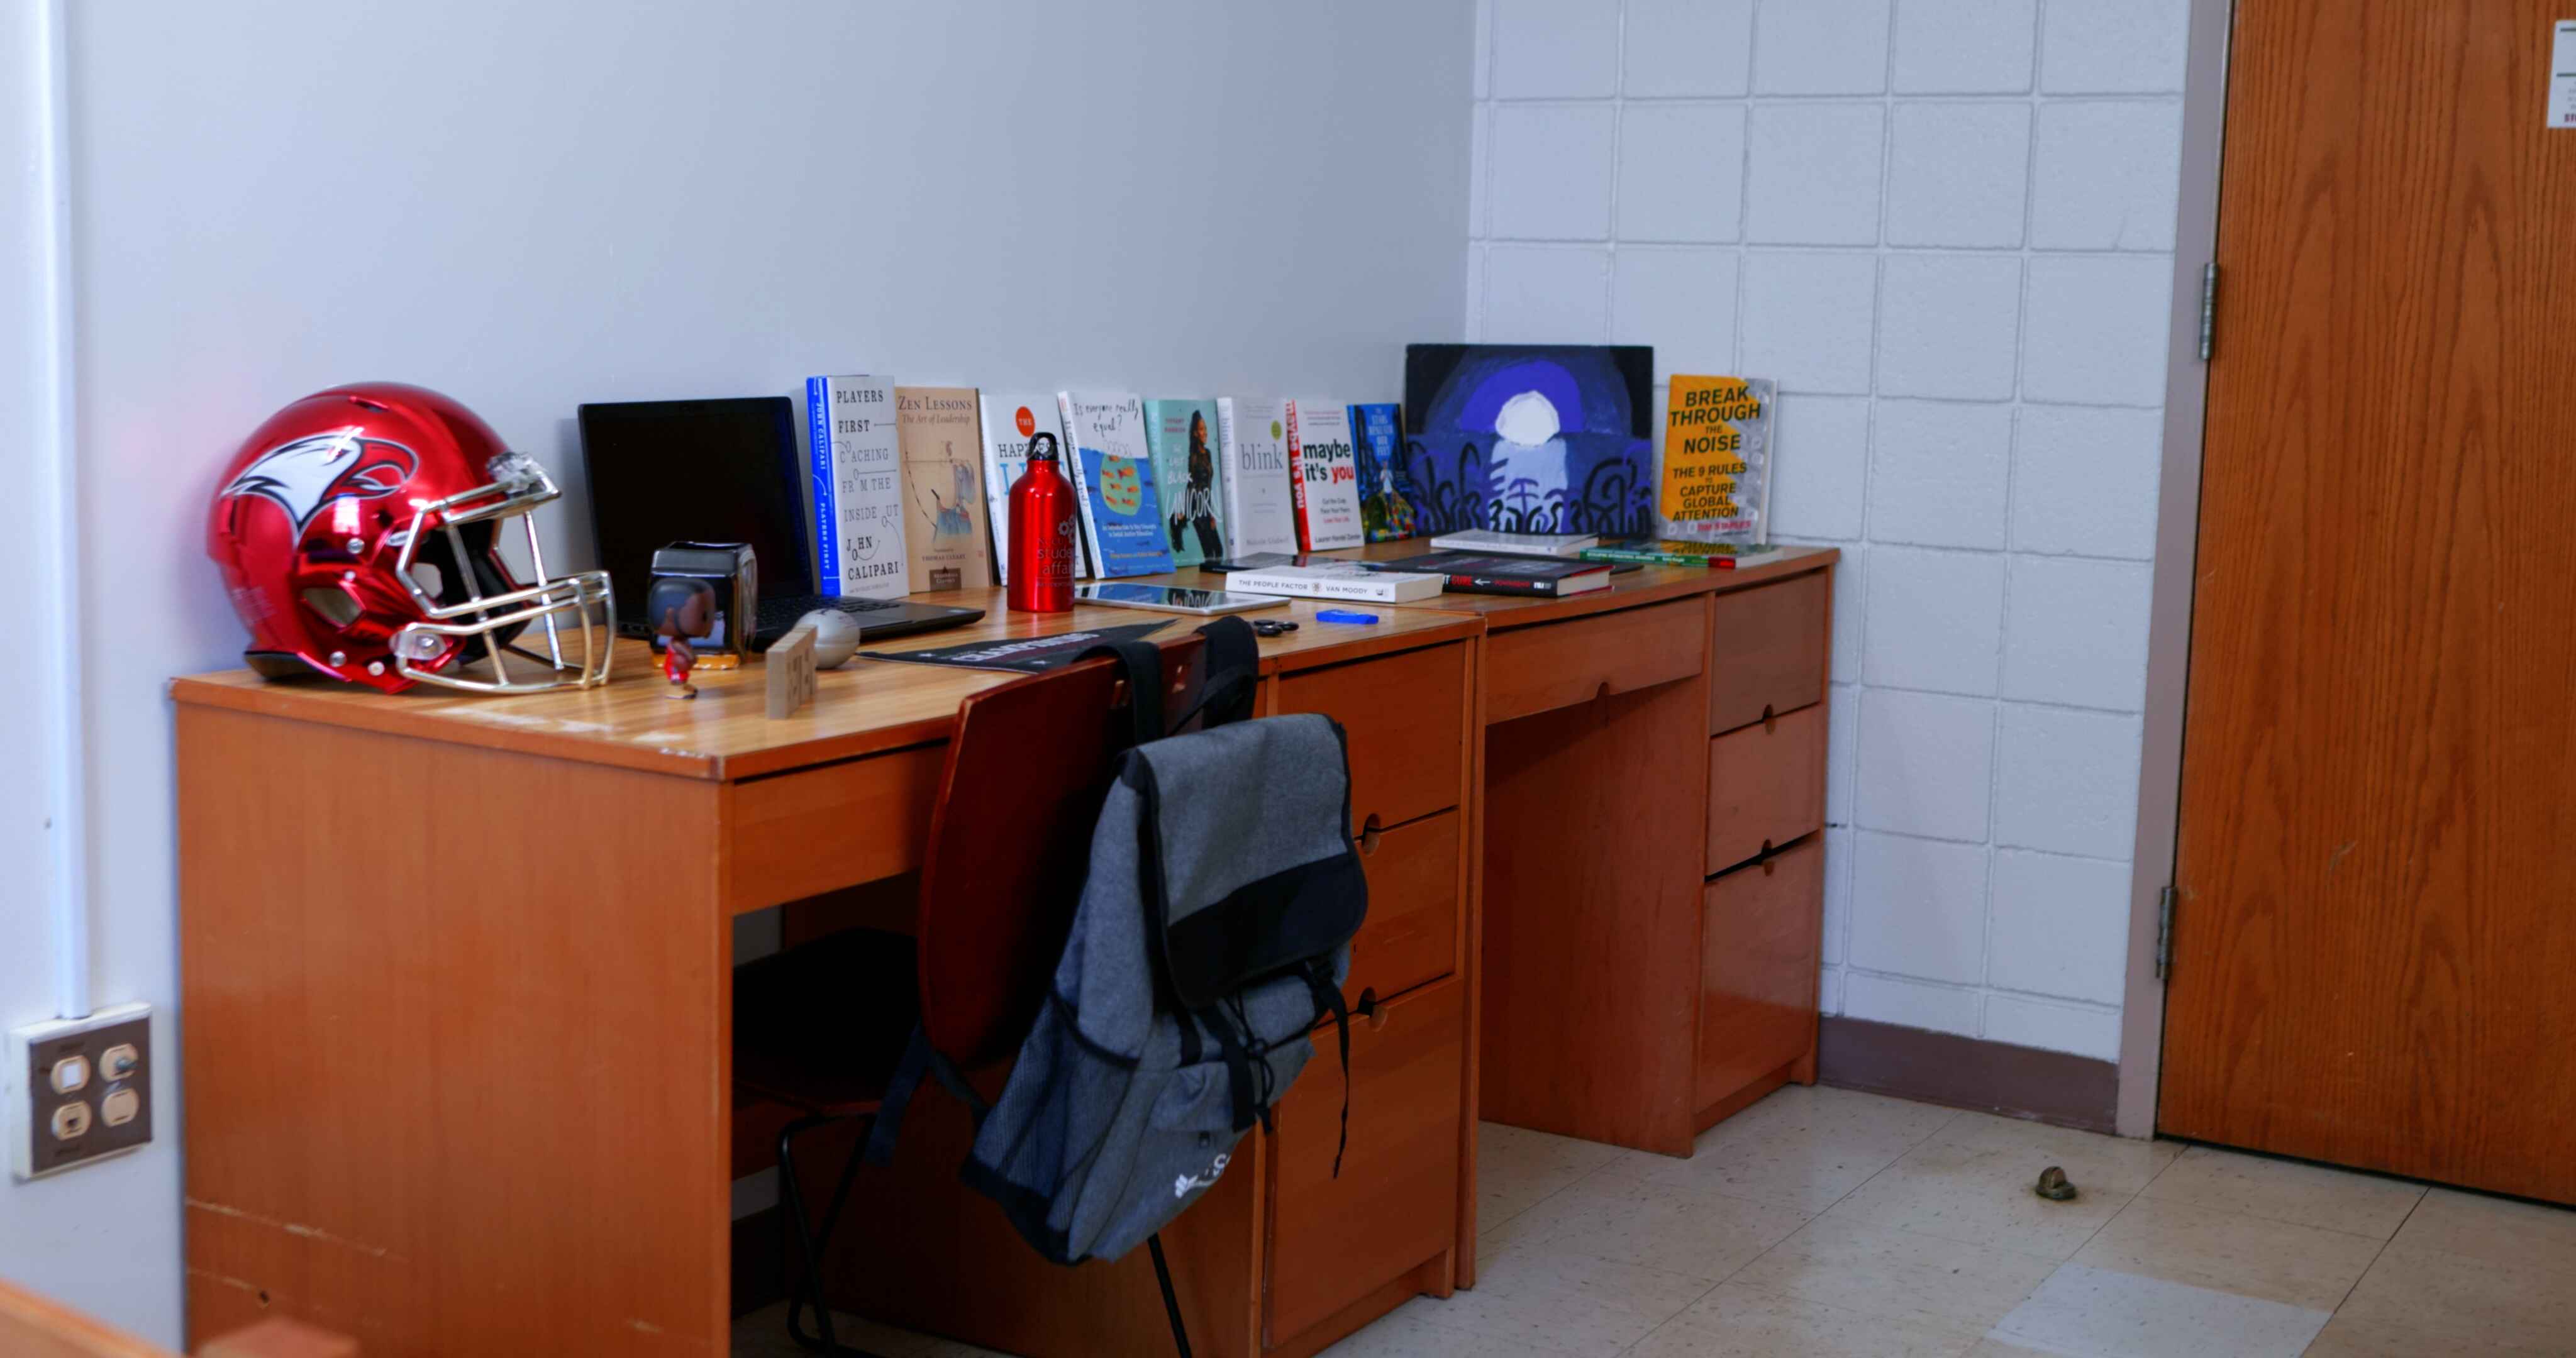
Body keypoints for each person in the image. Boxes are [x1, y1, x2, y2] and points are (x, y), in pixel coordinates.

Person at [645, 576, 716, 699]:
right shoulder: (677, 642)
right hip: (675, 667)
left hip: (680, 666)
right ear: (671, 615)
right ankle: (676, 689)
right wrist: (690, 656)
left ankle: (683, 686)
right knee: (678, 678)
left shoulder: (682, 640)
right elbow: (681, 649)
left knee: (683, 676)